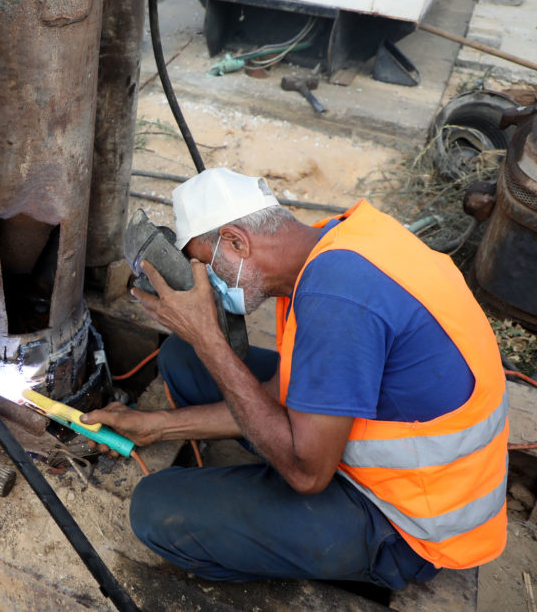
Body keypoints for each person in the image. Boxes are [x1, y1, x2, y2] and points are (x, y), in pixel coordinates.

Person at [83, 167, 507, 589]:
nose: (206, 286)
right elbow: (284, 391)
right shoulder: (335, 248)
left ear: (236, 241)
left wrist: (210, 339)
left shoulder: (336, 297)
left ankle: (319, 564)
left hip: (407, 521)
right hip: (379, 452)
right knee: (182, 356)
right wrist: (157, 428)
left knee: (158, 509)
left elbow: (308, 476)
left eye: (204, 269)